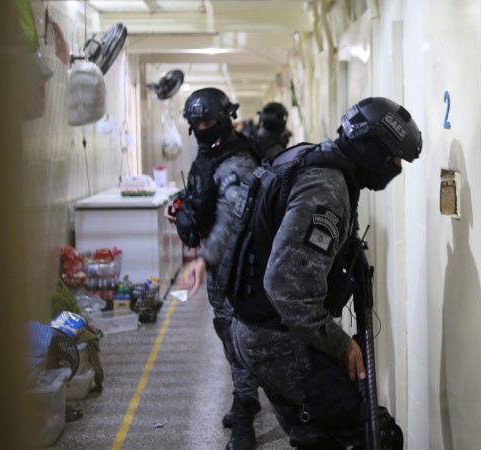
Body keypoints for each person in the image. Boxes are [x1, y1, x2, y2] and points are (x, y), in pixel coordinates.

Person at [217, 97, 422, 449]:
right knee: (378, 434)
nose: (396, 167)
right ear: (371, 148)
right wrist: (340, 344)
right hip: (277, 338)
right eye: (393, 157)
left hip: (256, 328)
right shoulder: (325, 187)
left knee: (314, 436)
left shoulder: (309, 159)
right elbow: (286, 288)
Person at [164, 87, 262, 450]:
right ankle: (247, 396)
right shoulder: (212, 153)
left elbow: (230, 221)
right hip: (220, 263)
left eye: (208, 121)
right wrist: (180, 206)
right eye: (196, 123)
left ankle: (244, 411)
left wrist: (203, 260)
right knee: (226, 329)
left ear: (224, 120)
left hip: (238, 264)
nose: (202, 128)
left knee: (238, 334)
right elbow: (203, 196)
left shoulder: (237, 162)